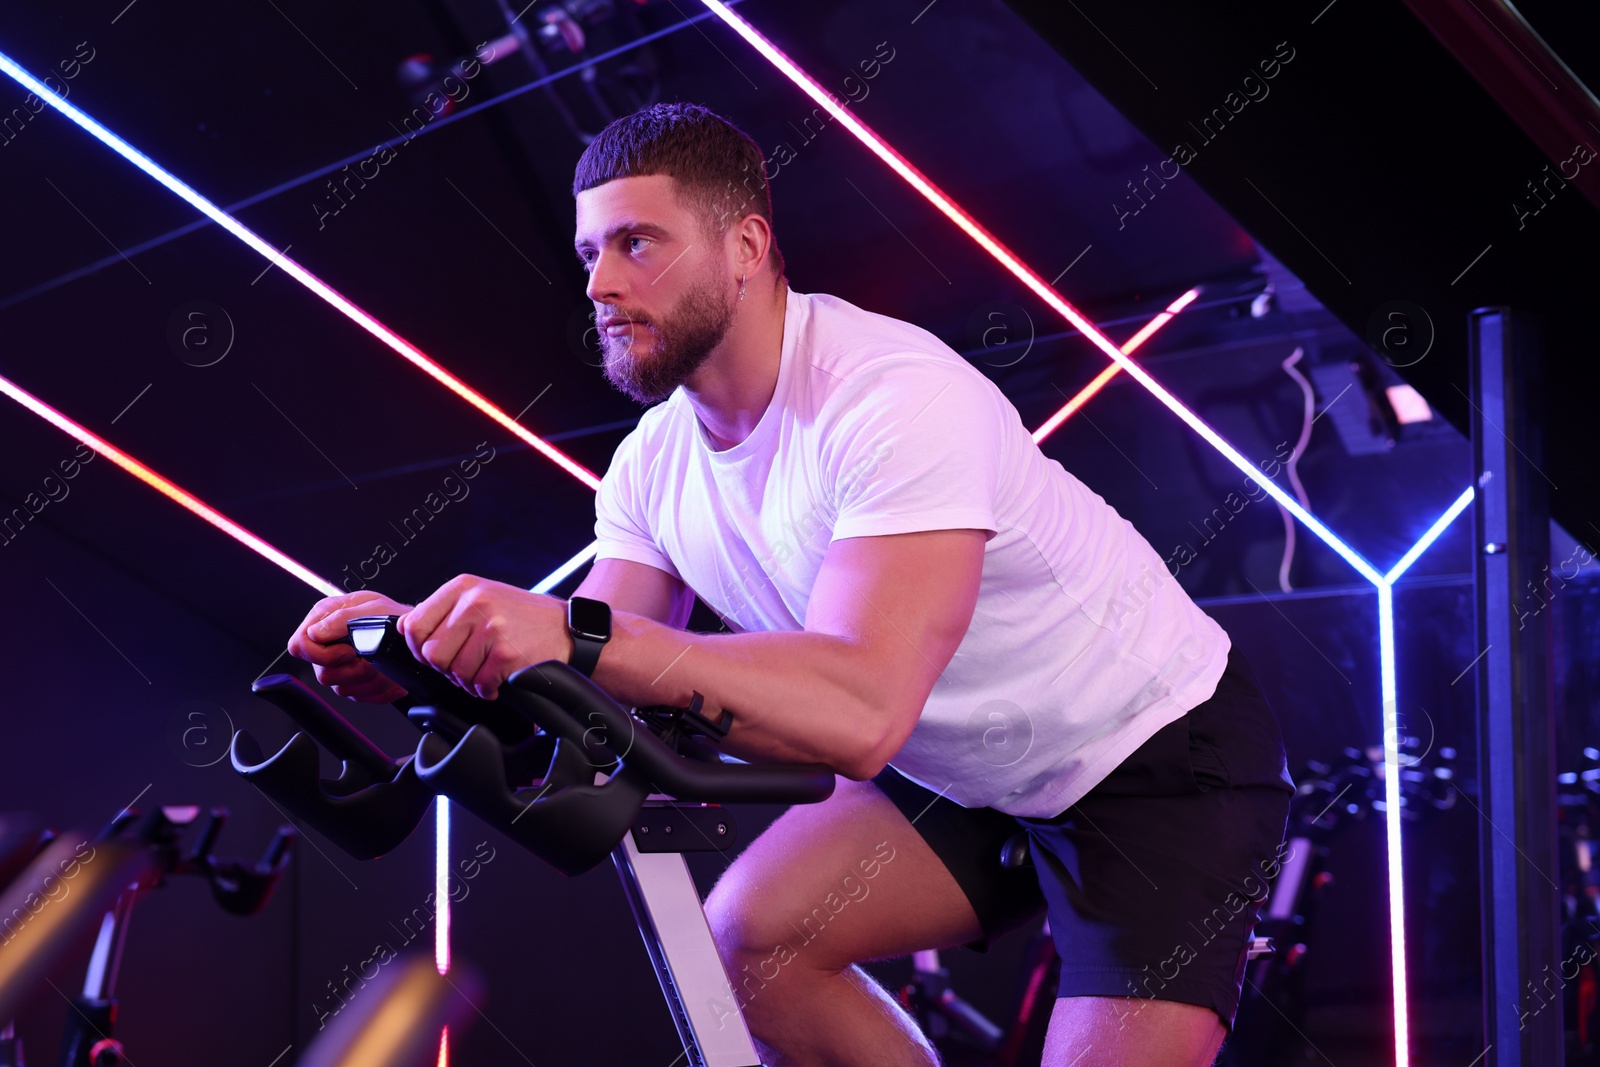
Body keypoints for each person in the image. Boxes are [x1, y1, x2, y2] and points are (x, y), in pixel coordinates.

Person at [288, 102, 1294, 1067]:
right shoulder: (651, 463)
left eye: (638, 242)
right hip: (968, 768)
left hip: (1152, 758)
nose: (599, 282)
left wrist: (568, 634)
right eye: (591, 250)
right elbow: (595, 659)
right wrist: (429, 654)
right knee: (745, 943)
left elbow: (858, 713)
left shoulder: (892, 397)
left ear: (745, 247)